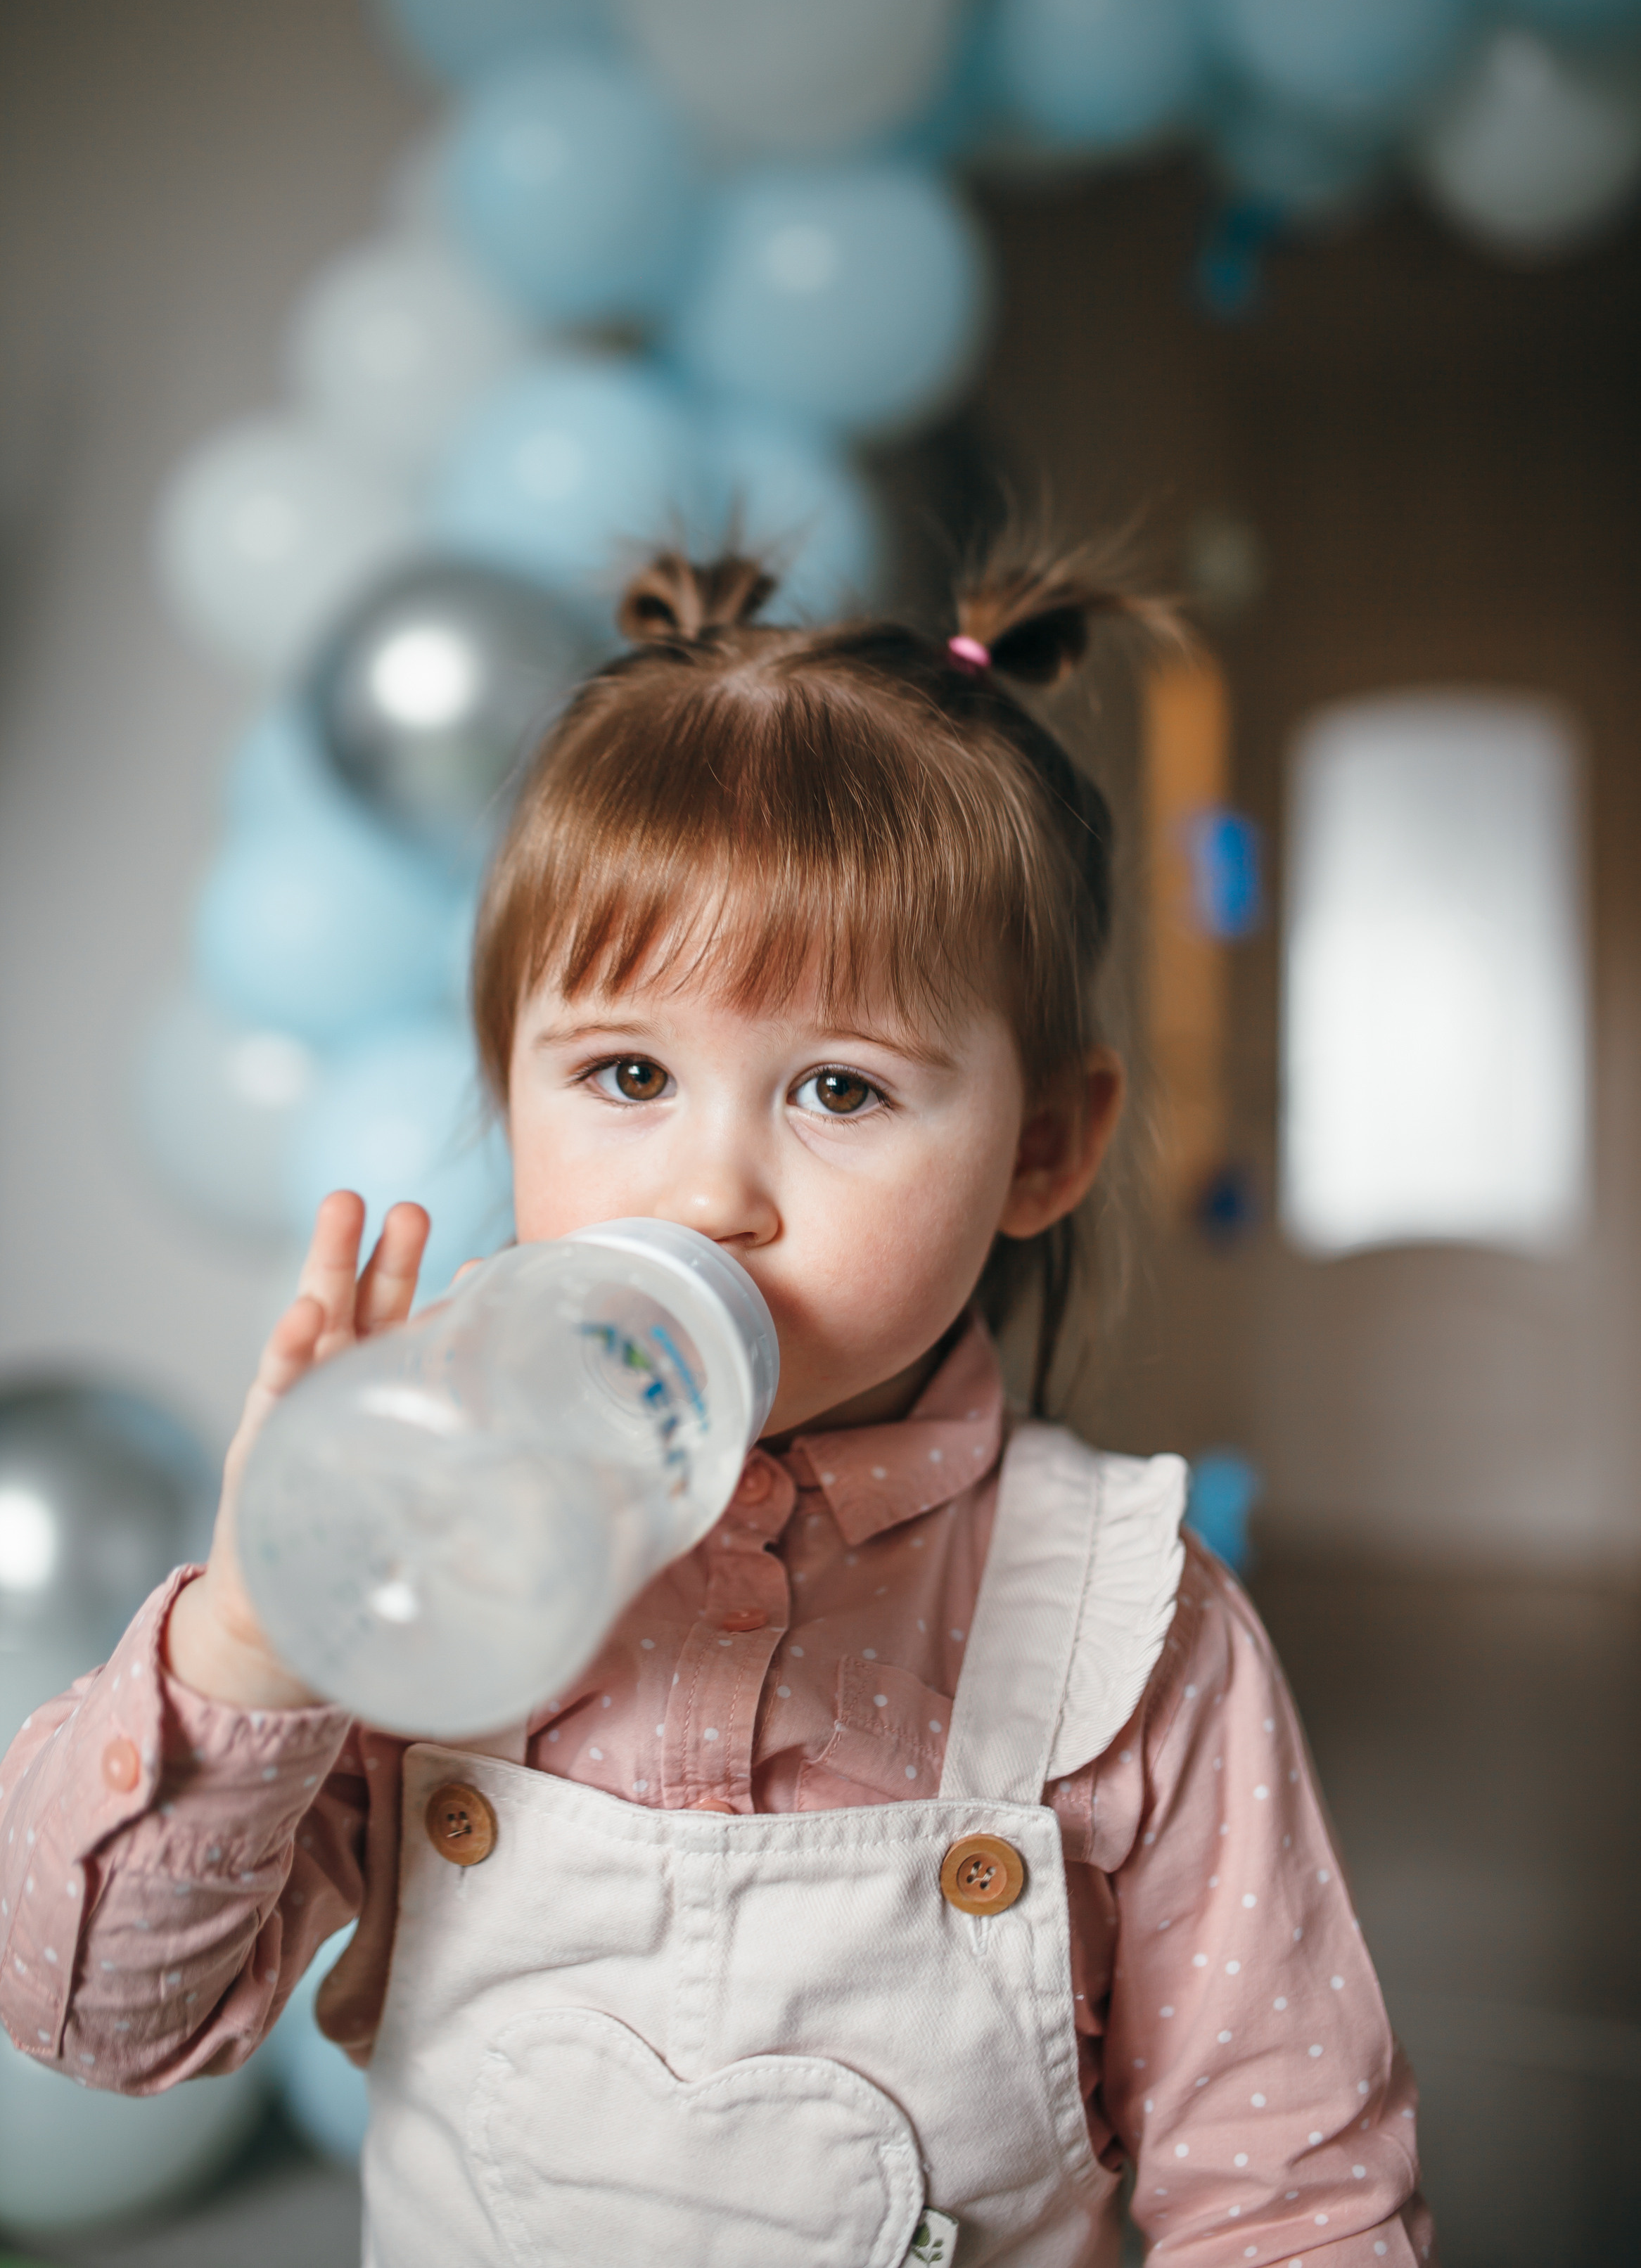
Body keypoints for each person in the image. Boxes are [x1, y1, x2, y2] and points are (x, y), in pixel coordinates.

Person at [0, 544, 1435, 2266]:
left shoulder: (1135, 1629)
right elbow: (96, 2022)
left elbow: (1292, 2190)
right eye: (625, 1073)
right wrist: (255, 1637)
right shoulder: (433, 1553)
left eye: (838, 1086)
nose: (707, 1191)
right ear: (507, 1090)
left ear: (1042, 1144)